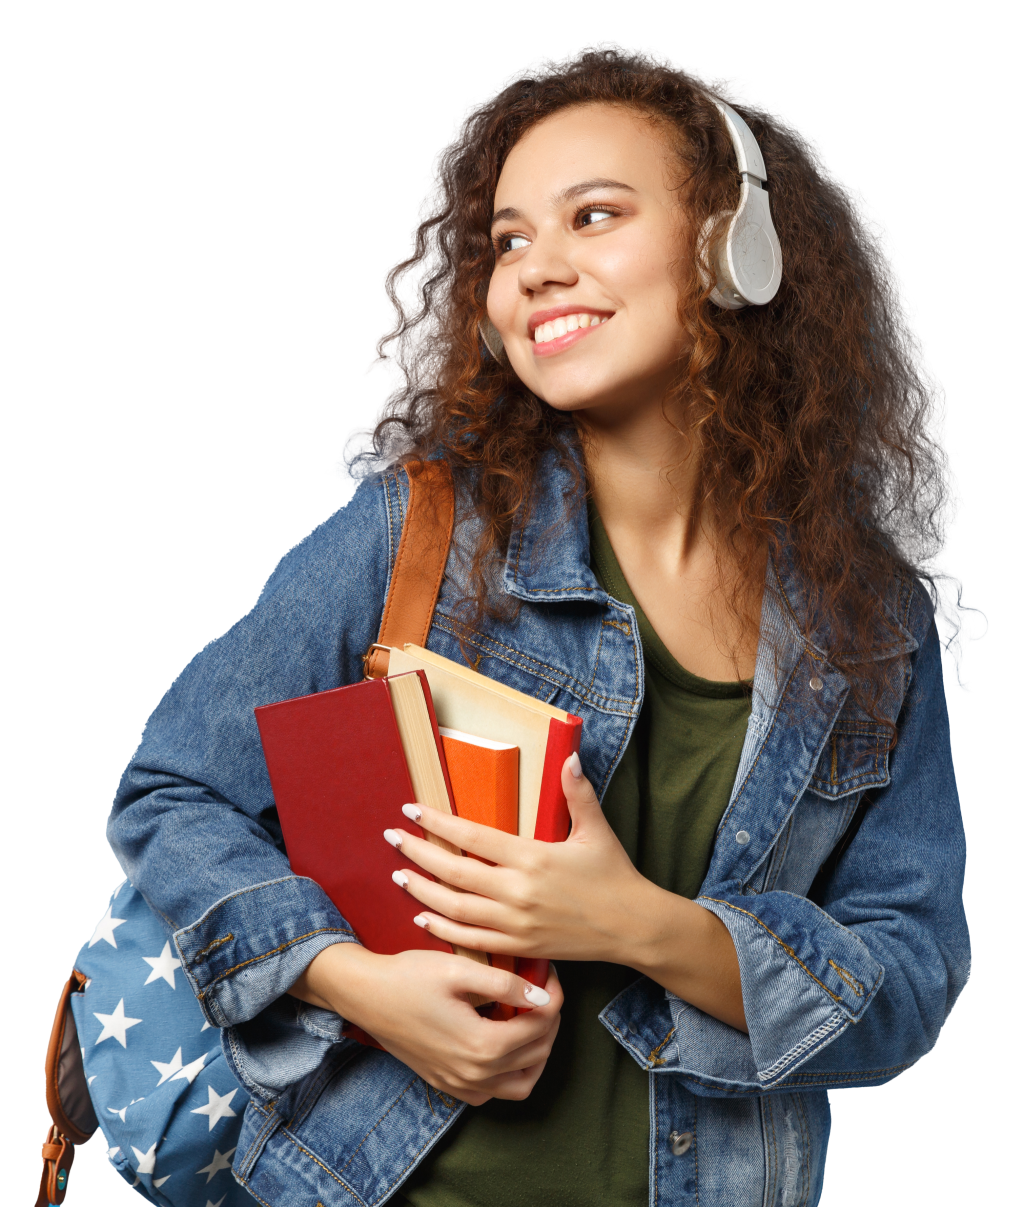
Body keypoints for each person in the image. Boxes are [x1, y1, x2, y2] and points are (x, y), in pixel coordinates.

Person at [83, 60, 969, 1207]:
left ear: (725, 247)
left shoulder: (869, 631)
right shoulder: (421, 533)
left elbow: (909, 973)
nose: (536, 266)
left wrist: (643, 926)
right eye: (507, 242)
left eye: (593, 215)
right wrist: (361, 983)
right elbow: (169, 790)